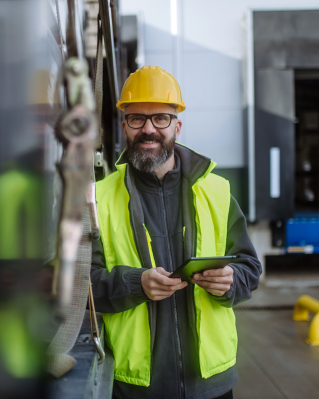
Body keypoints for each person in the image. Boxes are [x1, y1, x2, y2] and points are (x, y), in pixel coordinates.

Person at [91, 66, 262, 399]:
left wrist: (230, 280)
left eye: (161, 119)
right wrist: (134, 283)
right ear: (124, 126)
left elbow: (249, 269)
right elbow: (79, 288)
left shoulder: (218, 191)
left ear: (177, 126)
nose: (149, 129)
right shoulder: (98, 198)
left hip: (211, 384)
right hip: (134, 386)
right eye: (137, 118)